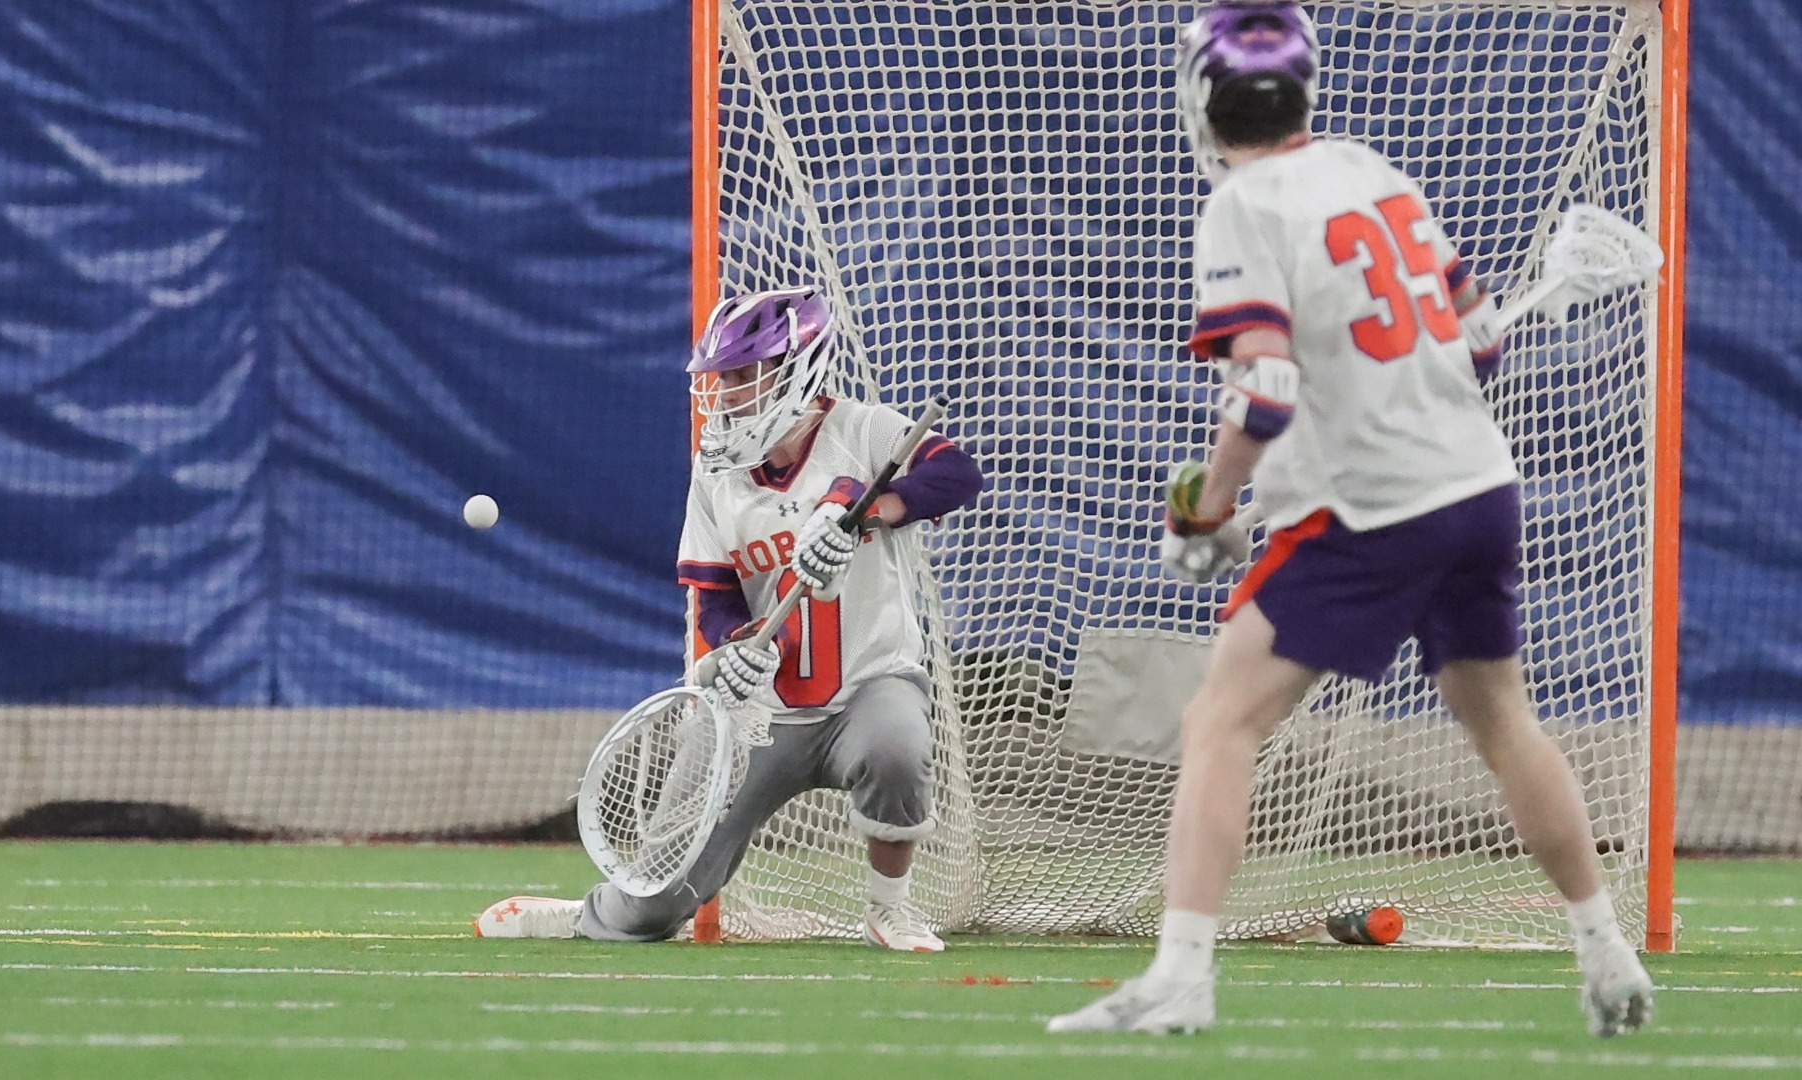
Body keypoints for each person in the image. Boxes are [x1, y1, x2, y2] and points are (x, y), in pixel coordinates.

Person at [1046, 1, 1654, 1038]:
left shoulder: (1243, 205)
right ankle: (1606, 952)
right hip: (1477, 488)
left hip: (1370, 508)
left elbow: (1265, 391)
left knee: (1221, 722)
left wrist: (1211, 504)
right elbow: (1480, 344)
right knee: (1503, 722)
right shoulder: (1373, 171)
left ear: (1204, 100)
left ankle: (1182, 977)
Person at [474, 286, 983, 952]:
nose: (727, 393)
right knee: (653, 904)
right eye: (722, 378)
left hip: (868, 682)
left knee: (897, 744)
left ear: (796, 367)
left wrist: (869, 513)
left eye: (743, 375)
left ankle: (890, 909)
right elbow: (715, 600)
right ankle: (586, 915)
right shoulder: (716, 472)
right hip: (762, 710)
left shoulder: (863, 430)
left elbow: (957, 475)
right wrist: (738, 646)